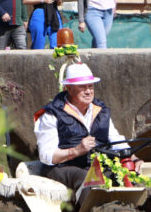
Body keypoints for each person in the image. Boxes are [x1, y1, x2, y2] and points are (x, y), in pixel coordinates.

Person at [34, 63, 134, 202]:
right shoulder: (52, 114)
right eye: (82, 87)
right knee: (88, 178)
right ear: (69, 88)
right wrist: (76, 151)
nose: (88, 91)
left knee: (128, 173)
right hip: (61, 168)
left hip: (94, 165)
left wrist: (132, 158)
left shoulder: (101, 111)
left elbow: (116, 139)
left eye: (90, 86)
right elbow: (46, 156)